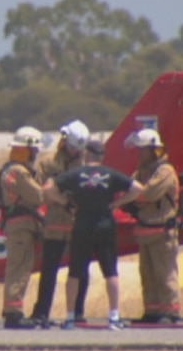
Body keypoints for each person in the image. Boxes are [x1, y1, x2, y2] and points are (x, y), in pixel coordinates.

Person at [44, 140, 143, 331]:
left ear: (87, 155)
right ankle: (114, 317)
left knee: (75, 272)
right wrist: (117, 203)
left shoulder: (75, 174)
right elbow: (138, 189)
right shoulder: (111, 174)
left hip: (82, 225)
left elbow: (48, 189)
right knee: (111, 272)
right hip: (106, 225)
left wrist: (65, 203)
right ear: (102, 156)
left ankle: (71, 318)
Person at [31, 120, 91, 329]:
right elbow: (41, 192)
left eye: (79, 149)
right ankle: (41, 313)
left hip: (80, 225)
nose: (75, 152)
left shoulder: (87, 165)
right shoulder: (49, 163)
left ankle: (77, 313)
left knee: (80, 270)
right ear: (65, 141)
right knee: (49, 271)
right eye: (73, 147)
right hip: (55, 224)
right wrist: (62, 200)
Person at [120, 128, 182, 324]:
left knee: (165, 275)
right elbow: (127, 192)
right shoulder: (141, 172)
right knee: (148, 275)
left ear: (154, 150)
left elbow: (149, 194)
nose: (140, 155)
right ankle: (152, 311)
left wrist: (134, 196)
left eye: (143, 150)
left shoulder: (165, 171)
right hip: (146, 232)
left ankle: (170, 311)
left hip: (162, 232)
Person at [0, 126, 46, 329]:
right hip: (22, 226)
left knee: (19, 268)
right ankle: (13, 314)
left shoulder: (9, 169)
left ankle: (13, 311)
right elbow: (38, 196)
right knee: (19, 269)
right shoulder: (20, 172)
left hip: (17, 225)